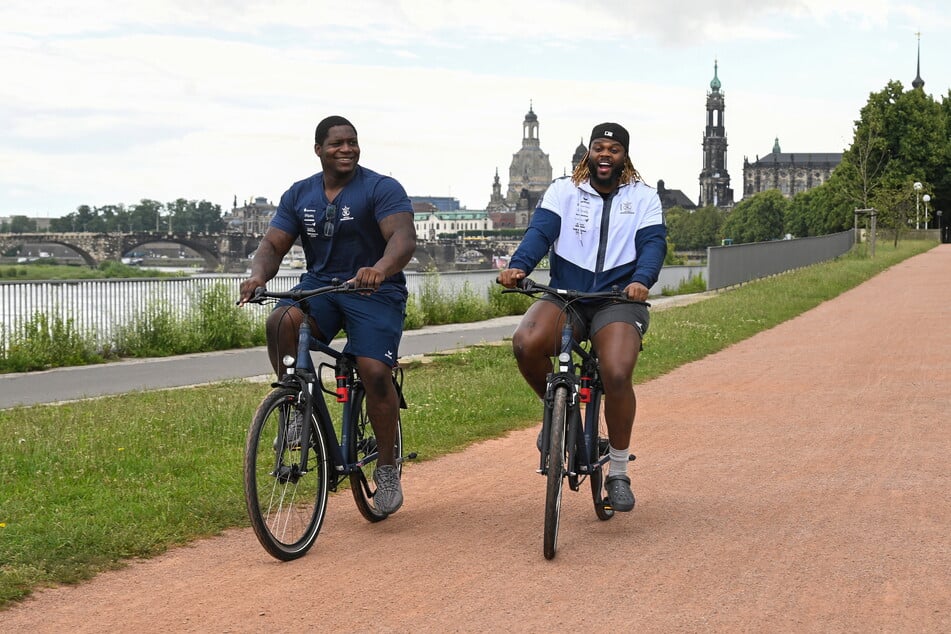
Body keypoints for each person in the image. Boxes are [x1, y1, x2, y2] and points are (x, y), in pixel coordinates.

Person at [238, 115, 417, 514]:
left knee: (372, 371)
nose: (347, 149)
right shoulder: (300, 194)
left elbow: (403, 238)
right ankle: (294, 404)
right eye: (337, 143)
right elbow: (273, 244)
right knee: (281, 320)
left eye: (352, 142)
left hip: (375, 290)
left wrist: (380, 269)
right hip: (322, 286)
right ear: (318, 149)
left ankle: (387, 467)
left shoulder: (380, 188)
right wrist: (256, 277)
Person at [497, 122, 667, 512]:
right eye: (599, 147)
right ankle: (560, 418)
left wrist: (642, 280)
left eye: (614, 149)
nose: (605, 155)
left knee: (617, 371)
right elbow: (540, 232)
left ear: (625, 155)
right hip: (567, 295)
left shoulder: (643, 197)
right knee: (526, 343)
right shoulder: (563, 190)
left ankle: (619, 471)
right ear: (589, 152)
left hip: (618, 297)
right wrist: (519, 266)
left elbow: (653, 244)